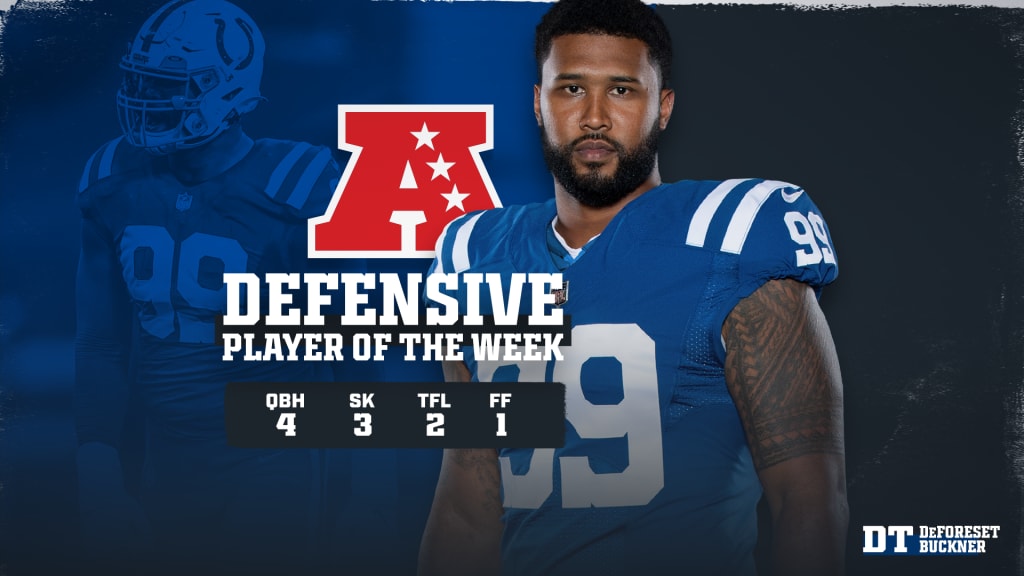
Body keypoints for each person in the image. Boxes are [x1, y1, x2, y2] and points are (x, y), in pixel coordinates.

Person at [417, 0, 848, 575]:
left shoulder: (732, 235)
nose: (594, 116)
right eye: (570, 89)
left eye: (622, 91)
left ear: (663, 107)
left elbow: (809, 502)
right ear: (537, 104)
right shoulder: (472, 256)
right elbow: (467, 508)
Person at [74, 1, 359, 573]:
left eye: (170, 85)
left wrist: (371, 487)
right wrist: (97, 459)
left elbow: (354, 347)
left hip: (275, 453)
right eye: (143, 82)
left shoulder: (298, 185)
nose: (150, 100)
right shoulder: (112, 179)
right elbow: (103, 341)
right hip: (165, 452)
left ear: (228, 88)